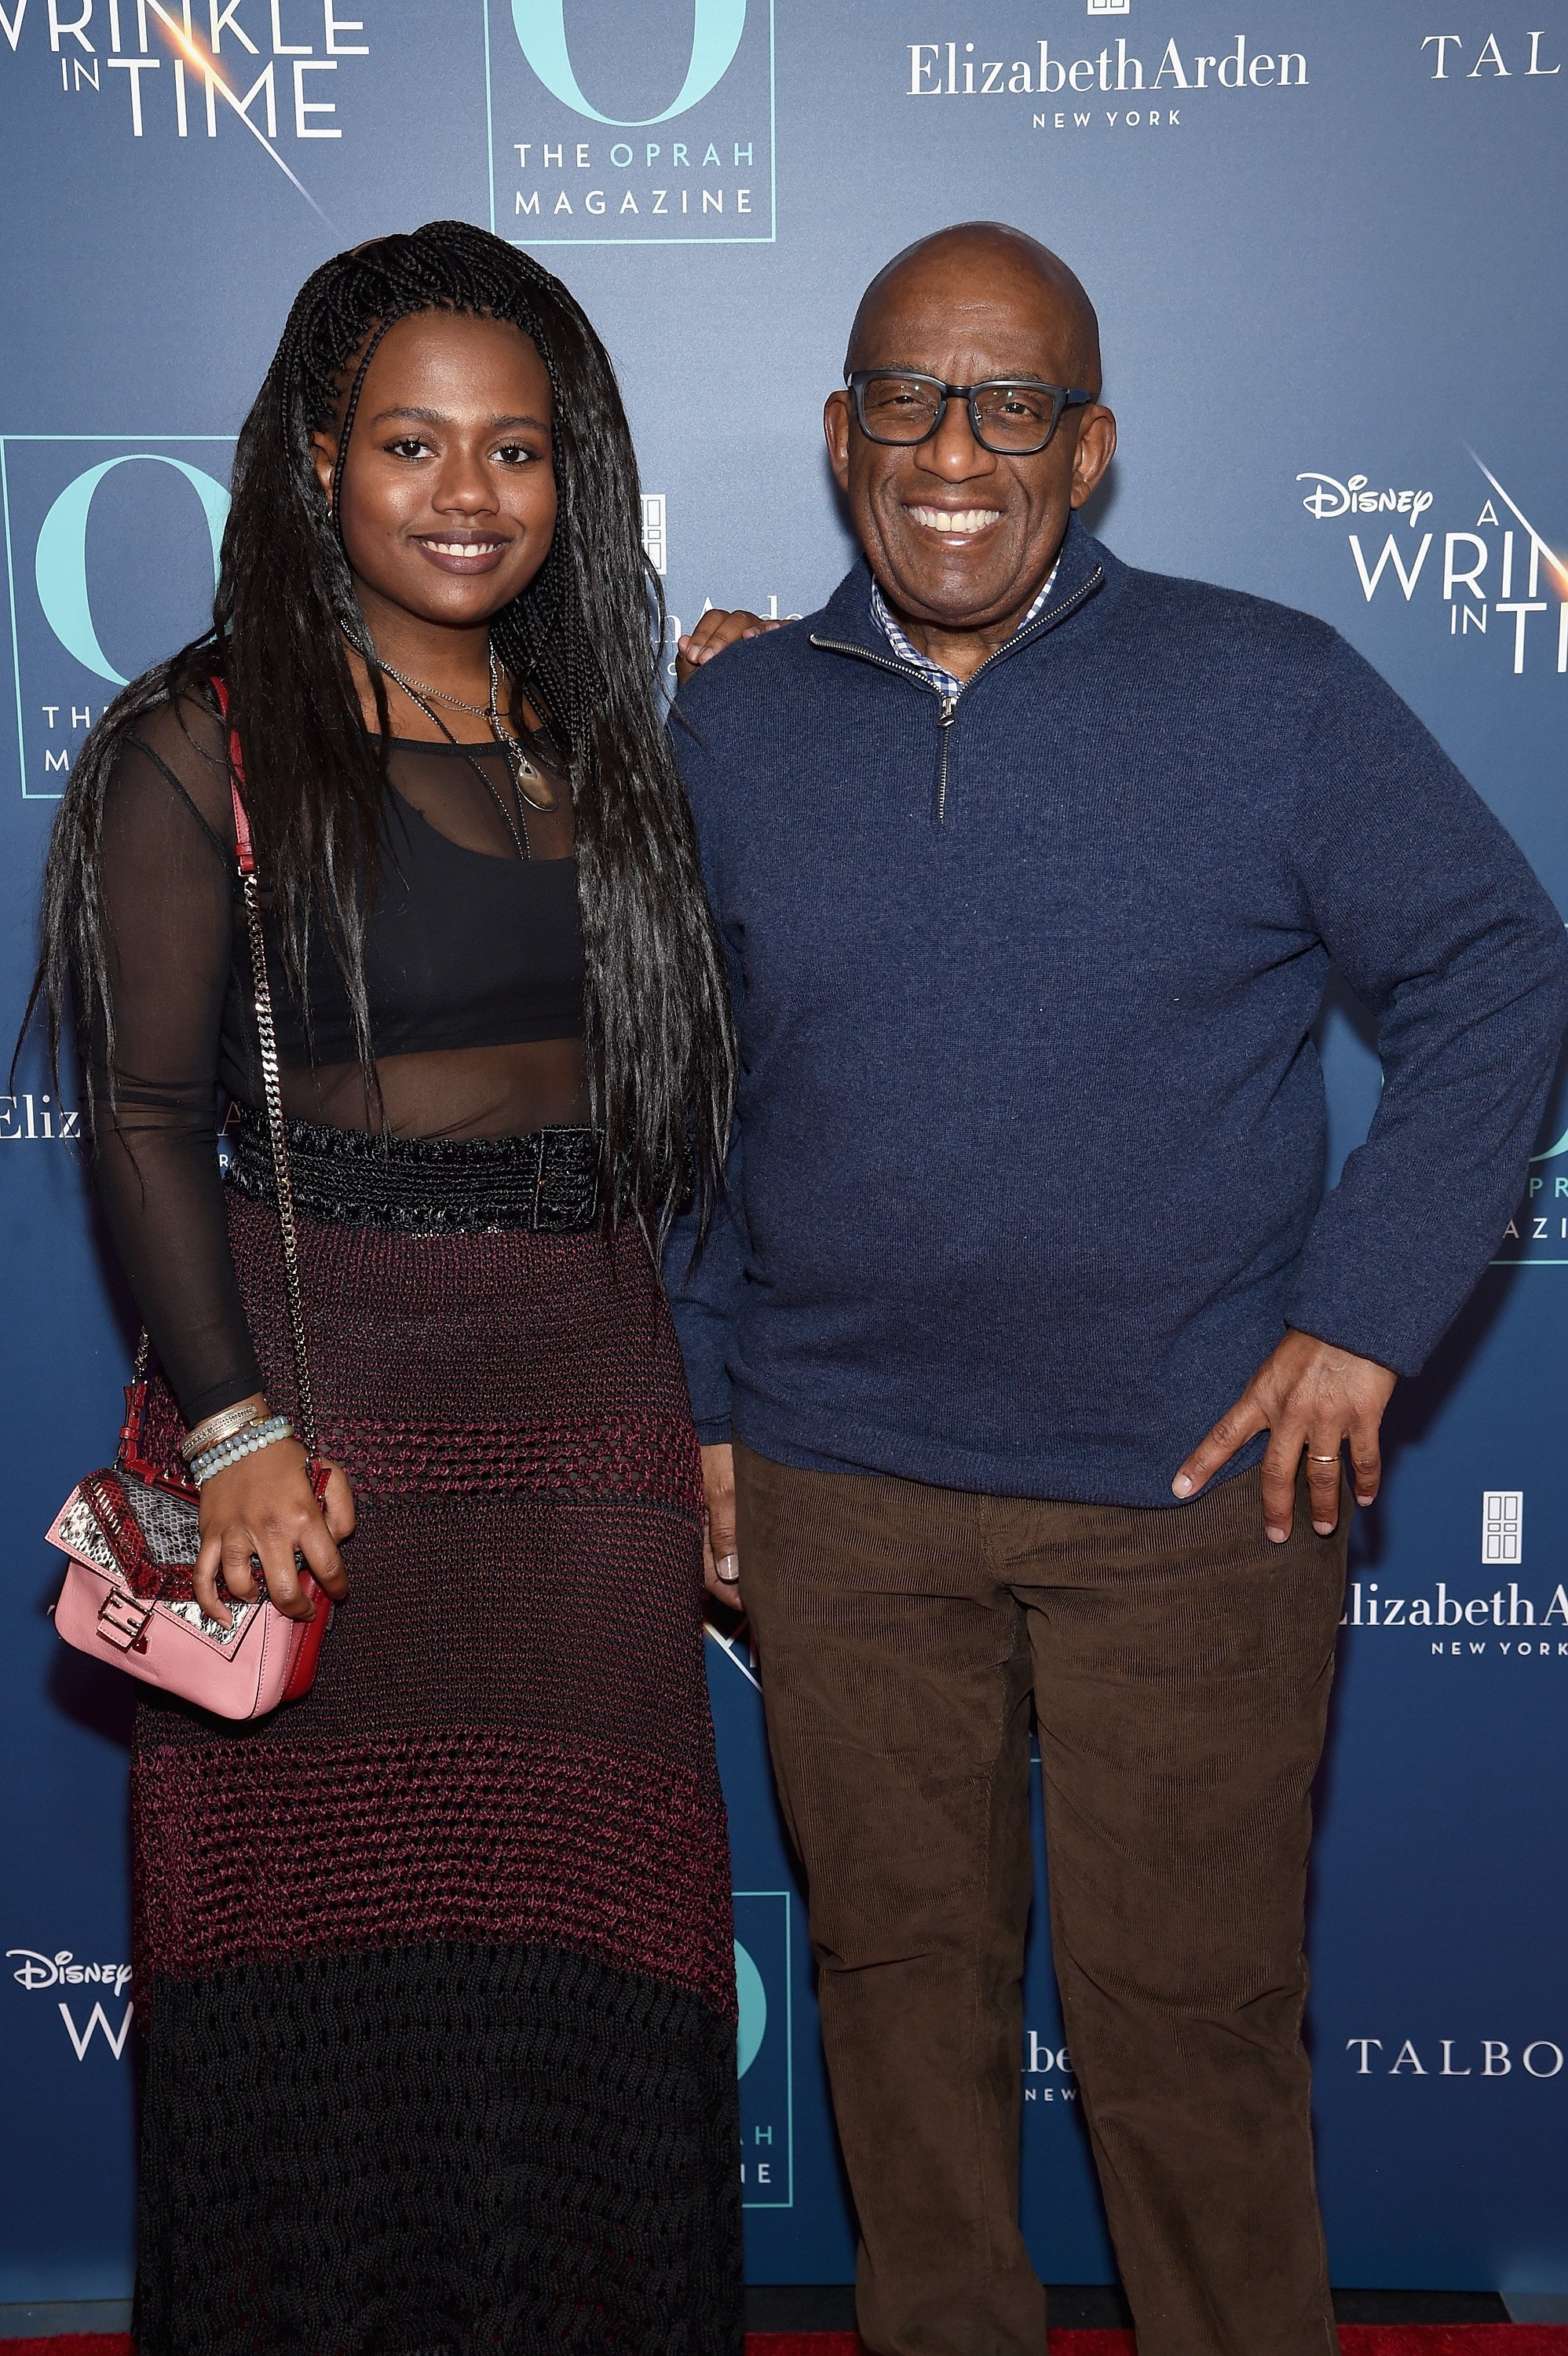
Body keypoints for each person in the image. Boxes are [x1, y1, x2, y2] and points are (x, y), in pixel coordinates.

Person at [665, 221, 1568, 2356]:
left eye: (1015, 402)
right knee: (895, 2015)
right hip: (837, 1486)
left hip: (1196, 1499)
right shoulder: (734, 729)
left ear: (1091, 448)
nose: (954, 448)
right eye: (909, 397)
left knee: (1192, 2036)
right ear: (838, 435)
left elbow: (1499, 967)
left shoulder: (1270, 689)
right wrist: (703, 1409)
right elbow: (683, 1107)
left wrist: (1364, 1311)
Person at [35, 222, 743, 2356]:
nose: (465, 491)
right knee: (313, 1961)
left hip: (587, 1410)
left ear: (574, 471)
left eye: (514, 448)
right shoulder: (202, 741)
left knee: (593, 1949)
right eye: (410, 441)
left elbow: (696, 1101)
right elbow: (146, 1117)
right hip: (319, 1418)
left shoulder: (610, 736)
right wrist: (235, 1430)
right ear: (316, 458)